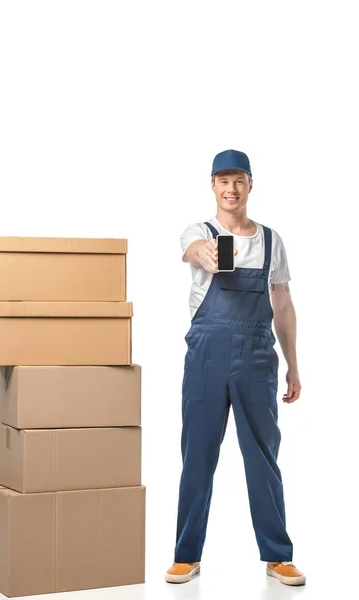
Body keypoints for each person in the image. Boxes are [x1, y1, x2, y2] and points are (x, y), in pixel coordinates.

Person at [165, 149, 306, 587]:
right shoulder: (199, 233)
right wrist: (204, 253)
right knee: (198, 455)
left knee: (263, 457)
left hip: (258, 357)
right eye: (222, 181)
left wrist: (293, 366)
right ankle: (186, 555)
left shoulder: (271, 240)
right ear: (212, 185)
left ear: (249, 185)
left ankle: (277, 556)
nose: (231, 189)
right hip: (206, 355)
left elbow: (282, 304)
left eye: (238, 180)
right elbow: (191, 251)